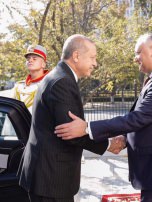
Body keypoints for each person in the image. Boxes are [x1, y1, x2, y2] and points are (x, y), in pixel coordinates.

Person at [55, 33, 152, 202]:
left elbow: (138, 118)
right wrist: (124, 137)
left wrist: (87, 127)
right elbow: (146, 117)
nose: (135, 58)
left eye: (138, 52)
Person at [19, 34, 123, 202]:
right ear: (76, 56)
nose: (95, 63)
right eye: (92, 57)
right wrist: (110, 144)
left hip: (46, 176)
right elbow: (71, 133)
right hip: (51, 180)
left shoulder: (58, 76)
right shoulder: (62, 82)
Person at [0, 45, 49, 136]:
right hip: (14, 137)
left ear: (43, 64)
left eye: (34, 58)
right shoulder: (19, 86)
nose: (30, 60)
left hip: (37, 137)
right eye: (28, 58)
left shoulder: (49, 85)